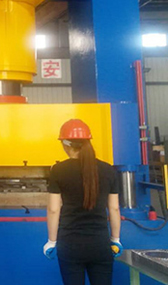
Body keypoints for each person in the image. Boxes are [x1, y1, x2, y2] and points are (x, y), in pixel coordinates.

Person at [43, 119, 123, 285]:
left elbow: (53, 209)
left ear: (66, 144)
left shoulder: (58, 170)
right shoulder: (108, 169)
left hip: (70, 245)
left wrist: (51, 241)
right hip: (100, 244)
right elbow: (114, 208)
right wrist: (116, 239)